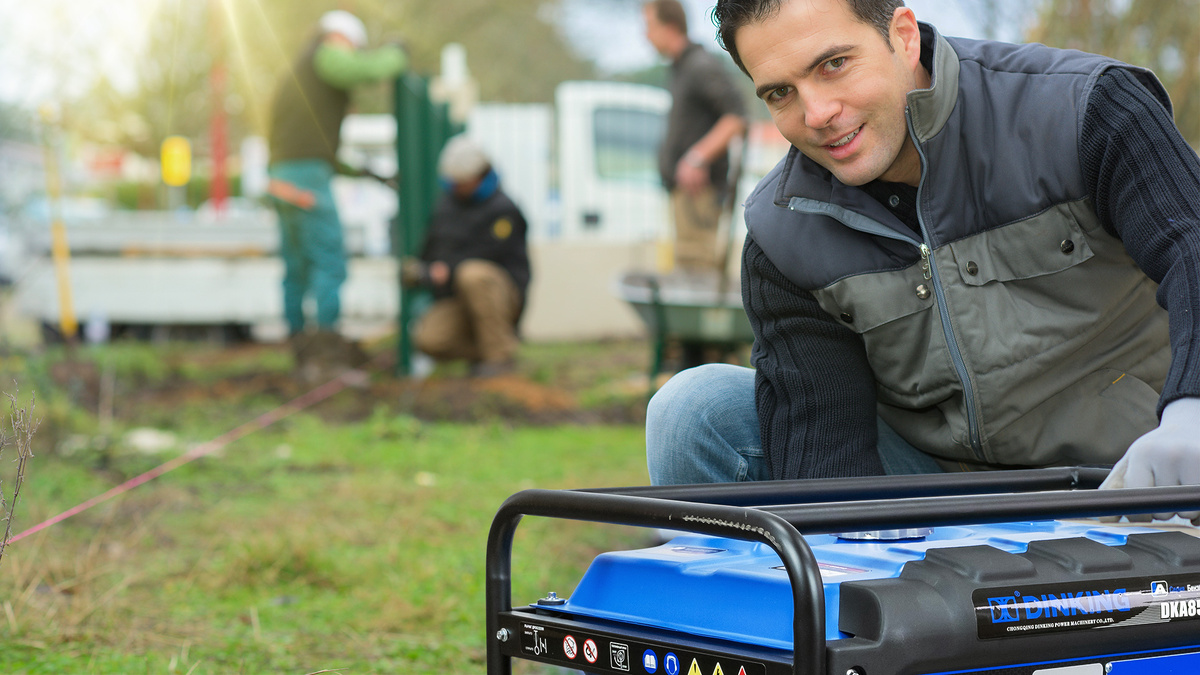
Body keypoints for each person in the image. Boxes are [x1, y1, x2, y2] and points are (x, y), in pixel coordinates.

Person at [645, 0, 1200, 522]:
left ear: (903, 37)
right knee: (693, 411)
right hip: (940, 495)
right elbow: (823, 450)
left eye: (834, 65)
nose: (817, 113)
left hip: (1137, 476)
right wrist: (857, 567)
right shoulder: (781, 233)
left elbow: (1192, 245)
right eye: (780, 93)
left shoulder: (1084, 109)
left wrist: (1191, 411)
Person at [267, 10, 406, 372]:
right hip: (307, 181)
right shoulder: (325, 54)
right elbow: (363, 71)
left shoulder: (297, 73)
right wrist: (395, 55)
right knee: (329, 264)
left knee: (296, 268)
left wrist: (369, 174)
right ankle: (327, 353)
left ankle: (301, 354)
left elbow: (314, 150)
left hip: (282, 178)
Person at [404, 136, 531, 378]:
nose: (456, 187)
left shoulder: (503, 211)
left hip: (500, 295)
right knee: (430, 340)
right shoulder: (446, 206)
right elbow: (430, 249)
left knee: (472, 274)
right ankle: (484, 353)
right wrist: (422, 270)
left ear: (480, 175)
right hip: (457, 298)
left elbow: (489, 254)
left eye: (462, 182)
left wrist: (447, 270)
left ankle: (500, 360)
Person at [643, 0, 748, 274]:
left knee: (697, 268)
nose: (646, 35)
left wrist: (696, 157)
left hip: (699, 193)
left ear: (671, 26)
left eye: (650, 26)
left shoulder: (700, 66)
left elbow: (737, 117)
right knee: (688, 267)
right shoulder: (681, 68)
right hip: (686, 194)